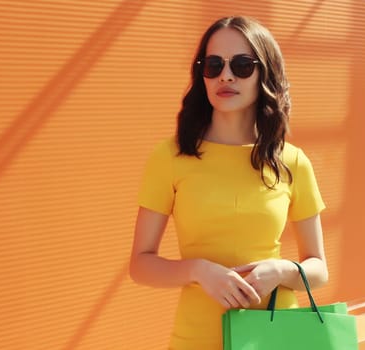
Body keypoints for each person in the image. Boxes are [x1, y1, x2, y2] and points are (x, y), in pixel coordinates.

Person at [128, 16, 329, 349]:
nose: (226, 75)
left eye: (242, 64)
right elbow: (140, 264)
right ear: (202, 75)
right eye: (213, 65)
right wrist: (199, 271)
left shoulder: (292, 161)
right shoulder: (170, 157)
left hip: (276, 337)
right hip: (196, 338)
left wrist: (281, 271)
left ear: (265, 72)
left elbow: (319, 268)